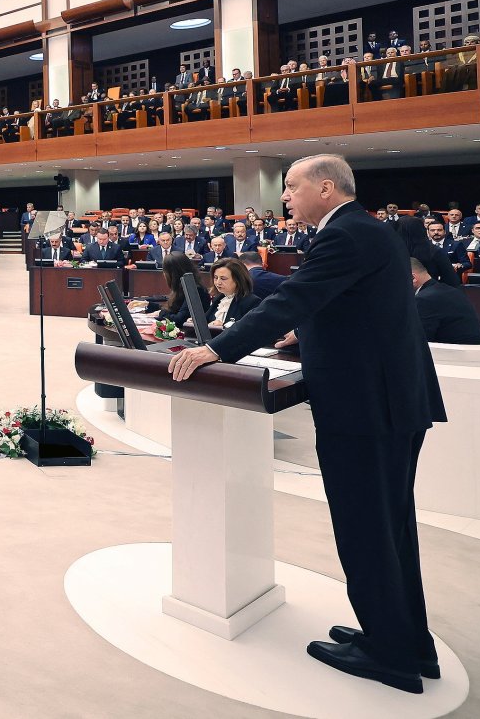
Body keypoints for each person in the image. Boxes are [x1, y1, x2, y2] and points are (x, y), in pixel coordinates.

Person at [169, 155, 446, 693]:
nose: (285, 198)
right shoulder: (371, 231)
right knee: (391, 528)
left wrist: (215, 349)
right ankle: (407, 639)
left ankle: (390, 654)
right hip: (392, 400)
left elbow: (295, 298)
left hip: (367, 407)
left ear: (325, 187)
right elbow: (346, 306)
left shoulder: (344, 235)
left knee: (366, 528)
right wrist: (310, 332)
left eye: (291, 187)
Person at [409, 259, 480, 345]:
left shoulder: (424, 299)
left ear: (413, 278)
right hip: (475, 353)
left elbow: (418, 343)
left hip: (461, 356)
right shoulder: (446, 290)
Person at [202, 258, 260, 329]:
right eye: (216, 278)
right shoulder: (218, 298)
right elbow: (206, 320)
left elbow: (247, 330)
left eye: (223, 279)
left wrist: (222, 326)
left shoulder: (251, 301)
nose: (218, 282)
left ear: (238, 279)